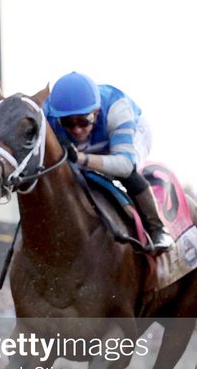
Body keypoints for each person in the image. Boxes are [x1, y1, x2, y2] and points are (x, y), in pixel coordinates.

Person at [43, 71, 174, 253]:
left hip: (132, 134)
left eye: (83, 121)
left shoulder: (117, 109)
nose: (77, 130)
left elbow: (125, 165)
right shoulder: (48, 114)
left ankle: (157, 229)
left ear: (96, 113)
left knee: (125, 173)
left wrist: (81, 158)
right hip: (90, 143)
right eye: (68, 123)